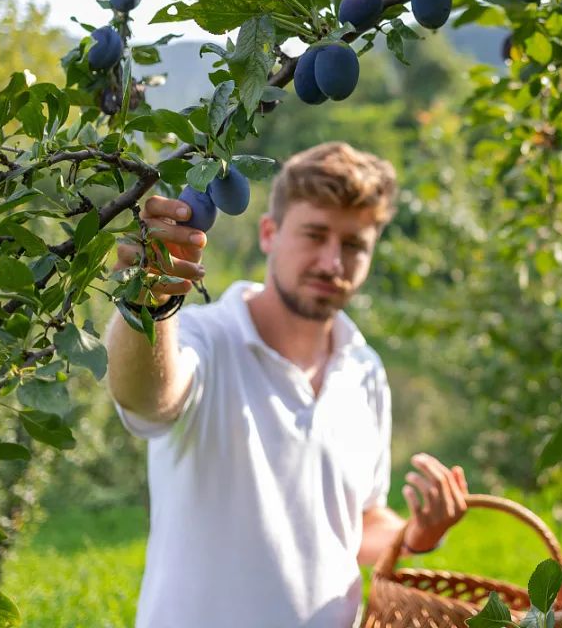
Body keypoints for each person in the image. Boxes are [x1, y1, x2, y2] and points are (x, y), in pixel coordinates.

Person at [105, 141, 469, 628]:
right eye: (315, 235)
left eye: (354, 245)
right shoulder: (205, 339)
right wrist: (147, 303)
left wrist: (418, 533)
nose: (331, 262)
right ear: (269, 233)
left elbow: (357, 524)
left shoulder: (363, 370)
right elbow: (147, 397)